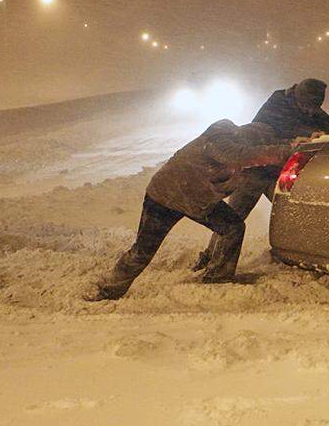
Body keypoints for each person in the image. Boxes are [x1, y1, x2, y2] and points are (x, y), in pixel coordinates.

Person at [85, 120, 299, 301]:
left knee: (232, 227)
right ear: (246, 140)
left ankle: (217, 276)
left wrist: (297, 146)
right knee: (143, 250)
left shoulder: (240, 153)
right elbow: (239, 155)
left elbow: (250, 159)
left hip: (198, 199)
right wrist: (284, 151)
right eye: (257, 146)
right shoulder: (219, 140)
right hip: (166, 196)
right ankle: (110, 289)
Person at [191, 79, 329, 281]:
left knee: (294, 212)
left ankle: (300, 255)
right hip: (254, 173)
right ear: (298, 97)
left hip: (277, 174)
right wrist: (312, 134)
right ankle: (210, 260)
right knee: (234, 218)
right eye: (308, 107)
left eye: (314, 108)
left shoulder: (307, 107)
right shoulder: (277, 103)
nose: (310, 112)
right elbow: (281, 128)